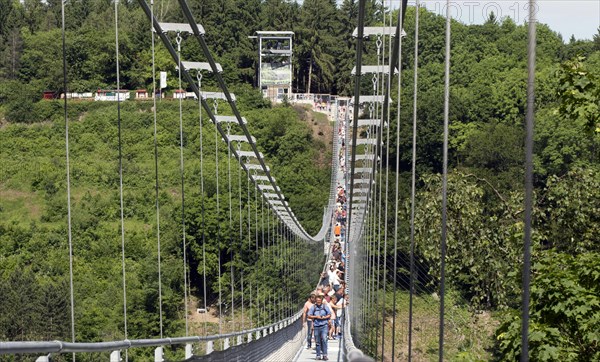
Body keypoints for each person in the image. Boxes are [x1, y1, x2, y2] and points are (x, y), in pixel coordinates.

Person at [308, 295, 332, 361]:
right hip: (316, 326)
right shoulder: (313, 307)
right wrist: (316, 317)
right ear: (315, 301)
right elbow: (309, 315)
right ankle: (318, 355)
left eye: (319, 301)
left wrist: (325, 317)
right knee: (317, 341)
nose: (318, 302)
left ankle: (325, 355)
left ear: (321, 301)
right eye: (317, 301)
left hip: (324, 325)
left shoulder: (325, 307)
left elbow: (329, 314)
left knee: (324, 339)